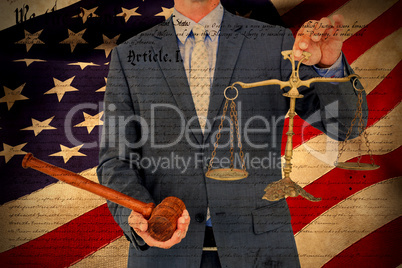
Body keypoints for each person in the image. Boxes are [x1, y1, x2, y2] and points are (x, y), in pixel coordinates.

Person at [97, 0, 367, 267]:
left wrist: (329, 68)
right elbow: (115, 160)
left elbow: (346, 126)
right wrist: (136, 213)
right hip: (164, 253)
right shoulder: (129, 55)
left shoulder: (274, 42)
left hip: (261, 252)